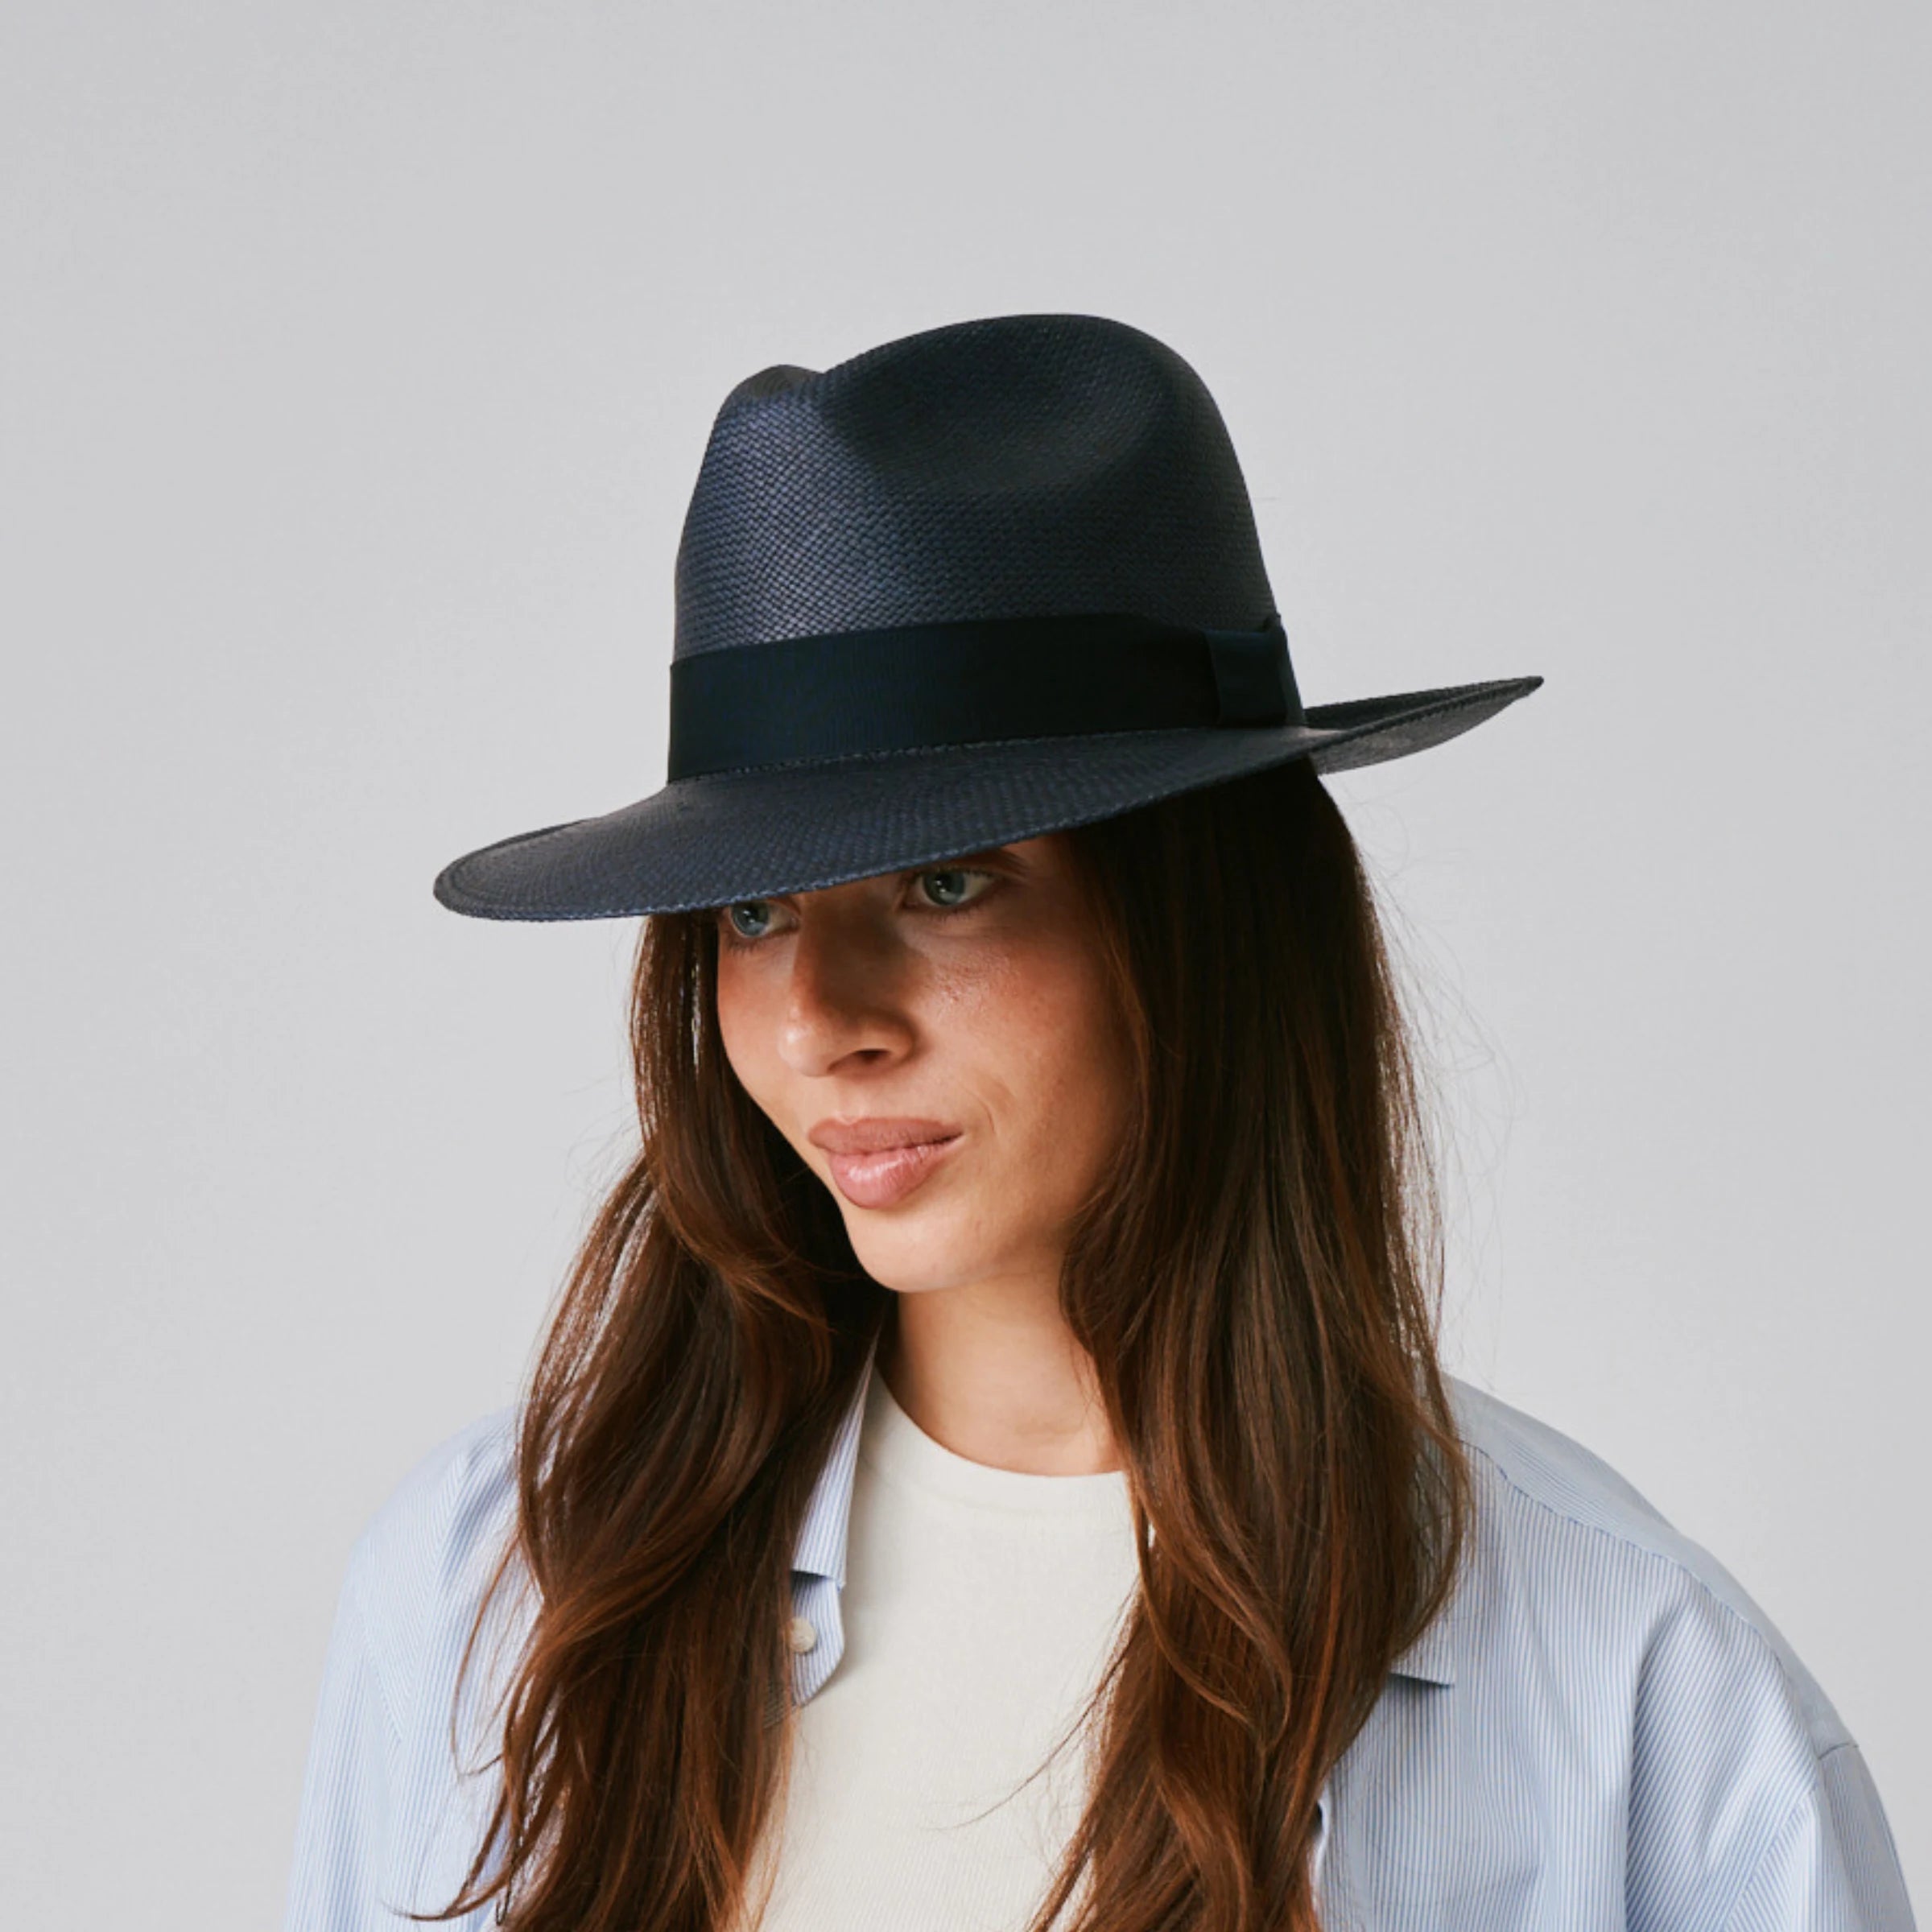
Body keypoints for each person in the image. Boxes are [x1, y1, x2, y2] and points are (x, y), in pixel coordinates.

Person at [280, 313, 1916, 1932]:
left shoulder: (1635, 1692)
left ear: (1202, 924)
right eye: (758, 908)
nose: (821, 1022)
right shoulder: (495, 1592)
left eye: (947, 881)